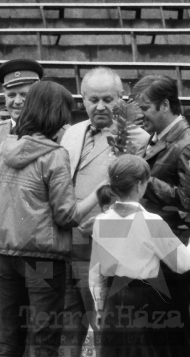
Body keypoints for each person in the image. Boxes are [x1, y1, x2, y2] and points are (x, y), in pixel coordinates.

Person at [0, 81, 100, 357]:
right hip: (44, 259)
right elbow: (66, 215)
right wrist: (99, 193)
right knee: (43, 339)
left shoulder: (2, 150)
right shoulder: (54, 155)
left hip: (5, 255)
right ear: (56, 114)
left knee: (8, 339)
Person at [59, 67, 149, 356]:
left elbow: (140, 195)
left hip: (105, 245)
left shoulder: (138, 139)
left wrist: (104, 219)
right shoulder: (71, 133)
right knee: (65, 327)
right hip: (65, 243)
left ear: (120, 99)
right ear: (82, 99)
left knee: (103, 326)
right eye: (93, 99)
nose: (100, 106)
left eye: (108, 99)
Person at [90, 154, 190, 356]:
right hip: (143, 302)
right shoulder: (152, 222)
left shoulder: (101, 220)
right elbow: (182, 263)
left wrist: (100, 307)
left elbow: (95, 271)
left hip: (112, 299)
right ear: (138, 185)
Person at [0, 58, 43, 357]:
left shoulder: (59, 131)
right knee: (2, 330)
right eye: (11, 94)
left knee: (38, 326)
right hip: (3, 244)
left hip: (40, 245)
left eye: (25, 93)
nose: (17, 101)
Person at [132, 74, 190, 350]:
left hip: (173, 256)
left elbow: (187, 202)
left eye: (144, 108)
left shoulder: (186, 143)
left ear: (165, 105)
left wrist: (142, 177)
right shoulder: (155, 139)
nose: (140, 115)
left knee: (172, 338)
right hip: (153, 253)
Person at [0, 58, 44, 145]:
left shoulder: (53, 130)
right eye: (11, 95)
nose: (17, 101)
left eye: (24, 95)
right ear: (5, 97)